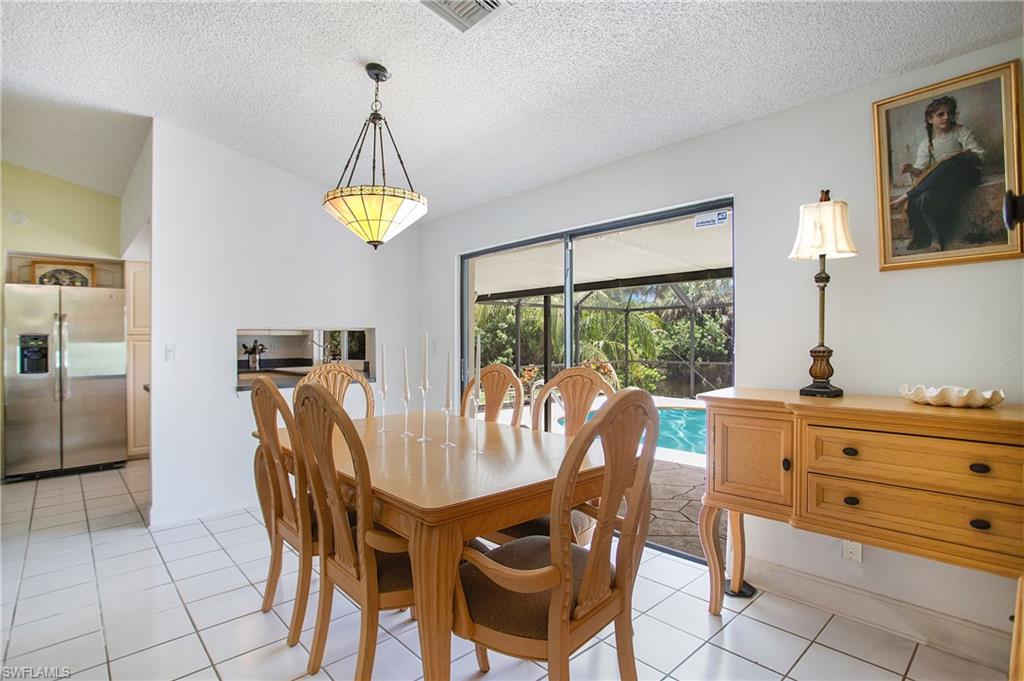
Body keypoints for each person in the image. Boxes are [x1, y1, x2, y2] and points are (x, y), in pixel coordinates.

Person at [890, 95, 985, 251]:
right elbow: (920, 170)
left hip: (964, 174)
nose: (946, 117)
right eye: (940, 114)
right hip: (943, 181)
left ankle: (908, 194)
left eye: (949, 113)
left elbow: (978, 153)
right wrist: (911, 169)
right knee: (925, 197)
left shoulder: (961, 131)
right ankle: (935, 236)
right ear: (930, 119)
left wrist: (958, 156)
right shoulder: (927, 143)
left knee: (949, 163)